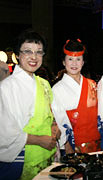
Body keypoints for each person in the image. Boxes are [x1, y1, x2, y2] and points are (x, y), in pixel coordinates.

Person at [0, 29, 60, 180]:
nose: (34, 57)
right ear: (17, 55)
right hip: (21, 158)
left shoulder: (44, 83)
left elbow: (50, 113)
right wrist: (39, 140)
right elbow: (5, 132)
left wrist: (54, 126)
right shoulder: (7, 87)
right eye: (28, 51)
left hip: (47, 153)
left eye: (39, 52)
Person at [52, 39, 101, 154]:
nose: (74, 64)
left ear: (83, 62)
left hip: (97, 144)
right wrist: (67, 144)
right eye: (70, 59)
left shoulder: (92, 84)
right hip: (73, 145)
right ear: (64, 62)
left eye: (78, 59)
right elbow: (58, 121)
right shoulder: (57, 89)